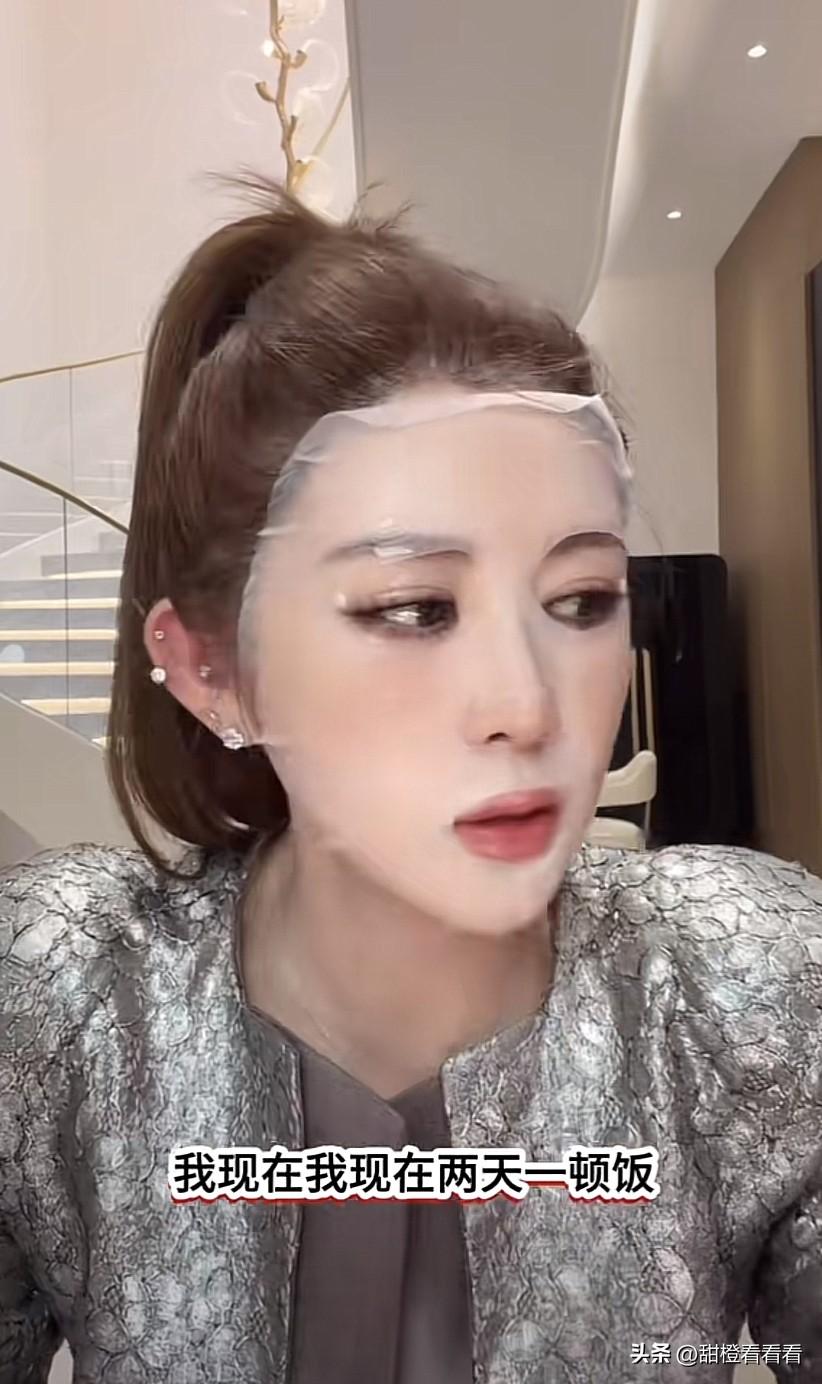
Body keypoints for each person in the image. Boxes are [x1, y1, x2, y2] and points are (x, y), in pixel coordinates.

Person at [1, 181, 821, 1384]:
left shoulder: (750, 985)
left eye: (581, 600)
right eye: (414, 609)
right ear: (214, 668)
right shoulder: (57, 1003)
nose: (528, 705)